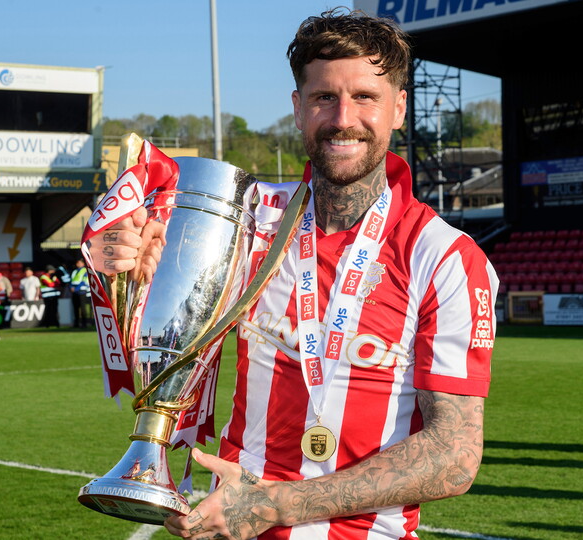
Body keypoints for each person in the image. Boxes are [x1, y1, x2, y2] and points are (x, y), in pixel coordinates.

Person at [87, 9, 498, 539]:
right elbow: (161, 300)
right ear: (298, 108)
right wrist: (126, 259)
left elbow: (454, 455)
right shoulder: (248, 223)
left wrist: (276, 505)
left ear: (398, 108)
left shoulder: (445, 257)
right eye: (324, 97)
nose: (343, 117)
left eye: (365, 97)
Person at [69, 259, 91, 328]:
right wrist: (71, 287)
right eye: (77, 263)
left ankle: (84, 323)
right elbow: (72, 280)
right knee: (76, 308)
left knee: (83, 307)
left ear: (83, 263)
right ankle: (76, 323)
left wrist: (76, 288)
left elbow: (84, 281)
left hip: (82, 291)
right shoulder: (75, 271)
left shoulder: (85, 270)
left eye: (79, 263)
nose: (77, 264)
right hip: (75, 291)